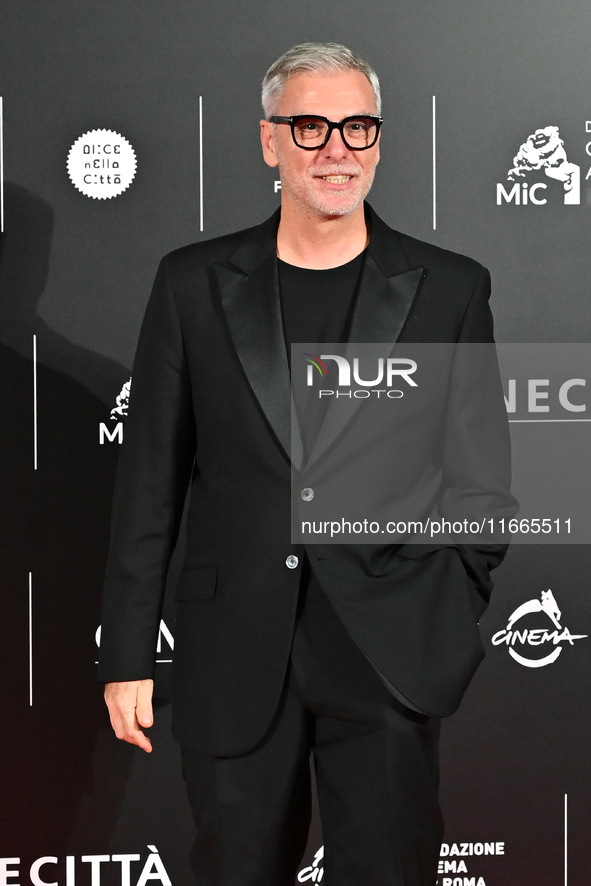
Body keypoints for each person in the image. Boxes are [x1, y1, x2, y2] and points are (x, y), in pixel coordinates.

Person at [99, 42, 513, 886]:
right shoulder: (192, 284)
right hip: (233, 650)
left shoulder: (448, 288)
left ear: (379, 140)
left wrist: (441, 607)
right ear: (268, 141)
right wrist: (128, 654)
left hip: (388, 653)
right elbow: (149, 483)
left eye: (357, 127)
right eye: (311, 125)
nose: (336, 148)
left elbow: (481, 480)